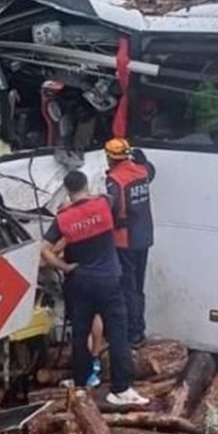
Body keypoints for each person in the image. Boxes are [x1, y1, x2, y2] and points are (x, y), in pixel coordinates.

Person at [41, 170, 149, 406]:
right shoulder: (103, 204)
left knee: (80, 334)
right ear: (86, 185)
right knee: (118, 333)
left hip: (79, 281)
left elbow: (45, 250)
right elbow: (108, 198)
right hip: (109, 280)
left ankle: (81, 383)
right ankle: (120, 389)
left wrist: (64, 267)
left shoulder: (62, 219)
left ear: (67, 190)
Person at [104, 138, 156, 348]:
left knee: (128, 287)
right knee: (138, 285)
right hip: (144, 236)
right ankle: (138, 329)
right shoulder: (141, 171)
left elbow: (113, 209)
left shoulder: (115, 180)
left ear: (109, 158)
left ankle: (134, 332)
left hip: (124, 240)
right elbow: (151, 170)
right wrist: (144, 159)